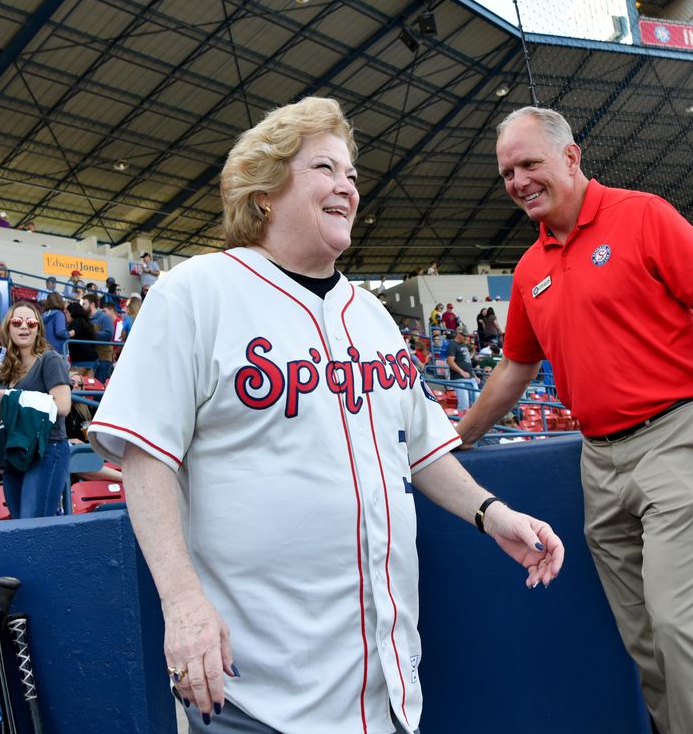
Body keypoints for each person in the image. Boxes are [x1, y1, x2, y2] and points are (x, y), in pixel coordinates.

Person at [86, 97, 564, 732]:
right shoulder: (196, 292)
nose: (347, 187)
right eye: (324, 168)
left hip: (387, 679)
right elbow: (147, 459)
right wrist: (183, 603)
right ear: (263, 189)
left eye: (352, 176)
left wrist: (491, 513)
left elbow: (422, 450)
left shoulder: (371, 315)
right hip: (258, 688)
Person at [455, 106, 693, 734]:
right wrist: (456, 436)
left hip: (682, 434)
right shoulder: (530, 268)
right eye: (507, 172)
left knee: (682, 627)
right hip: (599, 458)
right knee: (647, 640)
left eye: (530, 164)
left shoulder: (643, 214)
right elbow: (514, 369)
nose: (519, 181)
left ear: (571, 157)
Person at [0, 301, 71, 518]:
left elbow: (63, 405)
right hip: (15, 452)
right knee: (20, 526)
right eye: (17, 322)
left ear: (38, 328)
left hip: (48, 448)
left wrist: (11, 397)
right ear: (8, 327)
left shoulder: (50, 359)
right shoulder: (4, 368)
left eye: (31, 322)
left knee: (32, 526)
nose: (24, 327)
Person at [445, 328, 478, 411]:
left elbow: (467, 362)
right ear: (458, 334)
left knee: (476, 403)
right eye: (464, 335)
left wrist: (475, 376)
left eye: (467, 336)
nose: (466, 338)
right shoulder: (452, 344)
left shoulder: (463, 345)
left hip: (470, 378)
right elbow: (450, 361)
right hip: (459, 378)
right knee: (464, 405)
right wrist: (461, 372)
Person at [66, 301, 98, 376]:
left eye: (66, 313)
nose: (65, 315)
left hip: (81, 359)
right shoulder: (86, 322)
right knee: (89, 384)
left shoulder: (76, 322)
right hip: (90, 358)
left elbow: (71, 334)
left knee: (73, 381)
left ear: (71, 313)